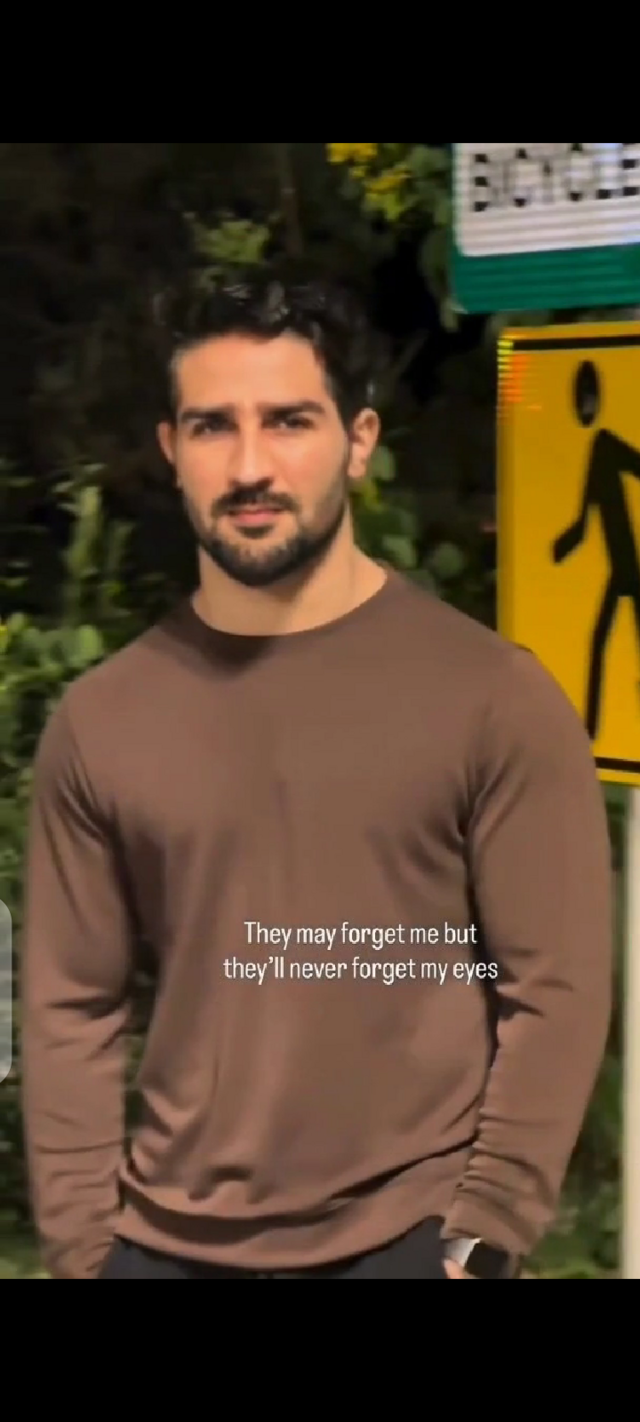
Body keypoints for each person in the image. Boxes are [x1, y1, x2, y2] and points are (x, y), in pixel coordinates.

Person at [20, 266, 613, 1280]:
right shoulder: (103, 721)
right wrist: (82, 1249)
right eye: (213, 426)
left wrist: (486, 1232)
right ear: (171, 449)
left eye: (290, 421)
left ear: (359, 441)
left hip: (407, 1240)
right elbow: (69, 1004)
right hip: (159, 1246)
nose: (250, 465)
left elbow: (555, 986)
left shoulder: (492, 697)